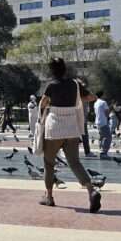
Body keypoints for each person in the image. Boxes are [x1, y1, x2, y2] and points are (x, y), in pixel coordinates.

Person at [38, 58, 101, 212]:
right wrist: (79, 94)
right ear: (65, 69)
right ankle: (91, 190)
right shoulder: (75, 84)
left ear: (52, 70)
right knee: (74, 162)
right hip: (72, 128)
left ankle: (49, 197)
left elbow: (43, 103)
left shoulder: (51, 86)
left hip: (54, 128)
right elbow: (92, 97)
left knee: (49, 163)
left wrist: (40, 120)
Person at [93, 89, 112, 158]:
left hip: (97, 122)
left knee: (101, 137)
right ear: (102, 95)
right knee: (108, 137)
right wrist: (108, 118)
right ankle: (104, 153)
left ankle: (101, 150)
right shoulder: (103, 102)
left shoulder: (95, 103)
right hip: (103, 122)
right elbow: (106, 112)